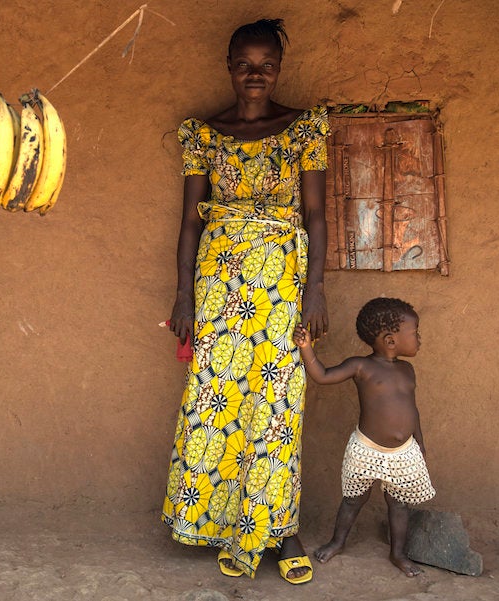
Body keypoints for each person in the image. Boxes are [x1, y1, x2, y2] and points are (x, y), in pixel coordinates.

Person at [161, 18, 330, 584]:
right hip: (218, 285)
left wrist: (317, 289)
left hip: (283, 283)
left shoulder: (303, 128)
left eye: (266, 64)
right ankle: (228, 527)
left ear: (279, 69)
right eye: (243, 64)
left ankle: (281, 531)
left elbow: (316, 216)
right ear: (228, 67)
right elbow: (189, 221)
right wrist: (184, 295)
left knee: (279, 405)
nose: (255, 74)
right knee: (216, 402)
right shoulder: (203, 135)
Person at [292, 297, 434, 577]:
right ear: (390, 341)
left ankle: (398, 554)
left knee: (399, 504)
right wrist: (306, 348)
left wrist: (418, 440)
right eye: (414, 332)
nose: (419, 338)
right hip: (366, 449)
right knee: (353, 499)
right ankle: (337, 542)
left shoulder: (407, 370)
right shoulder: (361, 367)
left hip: (403, 451)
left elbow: (411, 408)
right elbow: (322, 375)